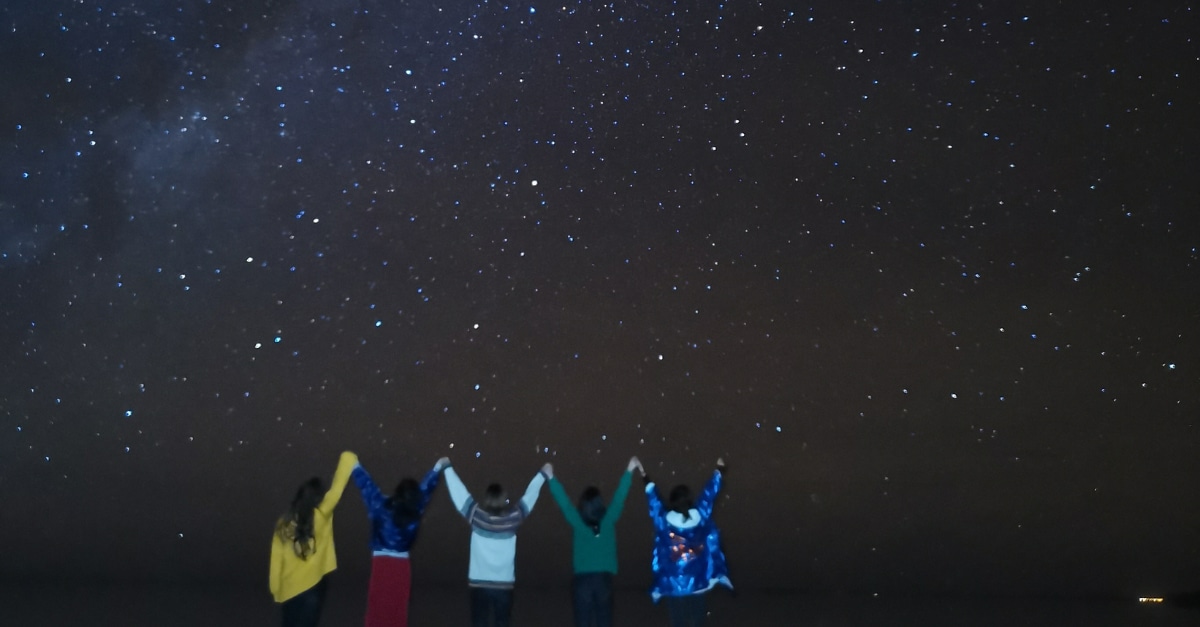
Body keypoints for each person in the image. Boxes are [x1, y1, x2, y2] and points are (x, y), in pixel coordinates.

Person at [442, 458, 552, 627]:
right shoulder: (511, 520)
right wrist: (542, 475)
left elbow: (460, 494)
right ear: (503, 499)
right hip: (504, 586)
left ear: (487, 499)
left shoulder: (477, 518)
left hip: (478, 584)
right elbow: (529, 498)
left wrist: (448, 468)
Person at [351, 455, 449, 627]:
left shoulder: (381, 507)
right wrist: (436, 469)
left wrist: (355, 466)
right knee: (398, 610)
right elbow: (426, 489)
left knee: (376, 610)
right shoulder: (415, 510)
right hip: (402, 566)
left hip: (381, 563)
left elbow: (367, 486)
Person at [548, 456, 642, 627]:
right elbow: (619, 497)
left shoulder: (578, 523)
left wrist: (551, 478)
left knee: (582, 622)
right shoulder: (609, 519)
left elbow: (565, 504)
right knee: (604, 621)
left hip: (582, 581)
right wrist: (629, 470)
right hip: (603, 580)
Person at [270, 450, 359, 627]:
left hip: (289, 589)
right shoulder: (321, 515)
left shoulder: (283, 523)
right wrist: (348, 459)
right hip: (313, 587)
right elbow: (336, 490)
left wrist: (276, 590)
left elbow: (276, 559)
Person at [642, 458, 733, 627]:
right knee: (697, 620)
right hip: (697, 581)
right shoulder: (700, 517)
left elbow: (654, 502)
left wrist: (645, 478)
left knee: (677, 621)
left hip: (672, 583)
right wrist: (718, 471)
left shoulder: (664, 522)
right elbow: (708, 496)